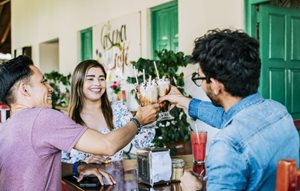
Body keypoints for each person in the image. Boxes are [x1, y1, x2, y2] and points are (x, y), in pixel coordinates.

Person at [160, 29, 299, 190]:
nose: (201, 84)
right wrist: (183, 101)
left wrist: (195, 188)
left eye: (200, 78)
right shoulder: (278, 110)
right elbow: (227, 117)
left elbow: (232, 127)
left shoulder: (227, 146)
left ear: (216, 85)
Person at [0, 55, 159, 190]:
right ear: (25, 90)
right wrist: (139, 120)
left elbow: (36, 169)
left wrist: (77, 167)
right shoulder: (44, 117)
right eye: (43, 82)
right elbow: (108, 146)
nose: (50, 88)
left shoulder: (7, 127)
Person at [62, 60, 155, 164]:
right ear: (78, 82)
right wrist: (81, 164)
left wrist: (148, 117)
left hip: (115, 179)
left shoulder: (117, 109)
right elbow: (59, 163)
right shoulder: (66, 119)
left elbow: (141, 142)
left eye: (101, 79)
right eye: (90, 79)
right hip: (80, 180)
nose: (97, 83)